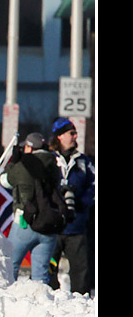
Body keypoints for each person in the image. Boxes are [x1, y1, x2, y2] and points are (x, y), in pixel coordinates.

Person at [0, 132, 62, 283]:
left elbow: (5, 181)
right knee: (40, 276)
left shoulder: (22, 166)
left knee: (10, 267)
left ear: (29, 147)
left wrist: (14, 162)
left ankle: (7, 302)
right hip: (48, 224)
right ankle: (40, 302)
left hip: (24, 222)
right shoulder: (54, 164)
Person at [47, 118, 95, 295]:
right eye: (71, 133)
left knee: (80, 269)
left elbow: (93, 185)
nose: (75, 136)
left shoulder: (83, 161)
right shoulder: (50, 159)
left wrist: (82, 202)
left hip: (77, 225)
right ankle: (49, 297)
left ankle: (80, 303)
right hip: (53, 225)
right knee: (49, 265)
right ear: (59, 136)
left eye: (75, 133)